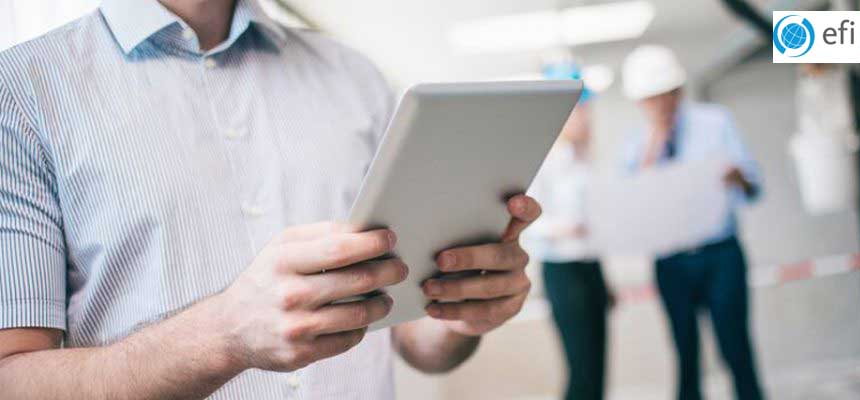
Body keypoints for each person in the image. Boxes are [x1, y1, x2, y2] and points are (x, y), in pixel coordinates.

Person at [0, 1, 544, 398]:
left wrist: (460, 311)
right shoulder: (22, 93)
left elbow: (411, 341)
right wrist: (225, 334)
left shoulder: (355, 78)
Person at [621, 45, 765, 400]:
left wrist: (737, 178)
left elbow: (754, 187)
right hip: (671, 262)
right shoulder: (634, 148)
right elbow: (632, 208)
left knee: (735, 346)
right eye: (649, 99)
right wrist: (653, 145)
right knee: (685, 353)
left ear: (678, 92)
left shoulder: (715, 123)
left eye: (664, 96)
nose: (659, 105)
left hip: (720, 255)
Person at [527, 61, 613, 400]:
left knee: (600, 366)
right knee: (582, 369)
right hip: (562, 272)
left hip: (592, 267)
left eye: (587, 108)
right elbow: (530, 225)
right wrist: (565, 229)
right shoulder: (543, 160)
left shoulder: (586, 159)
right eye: (579, 109)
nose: (586, 117)